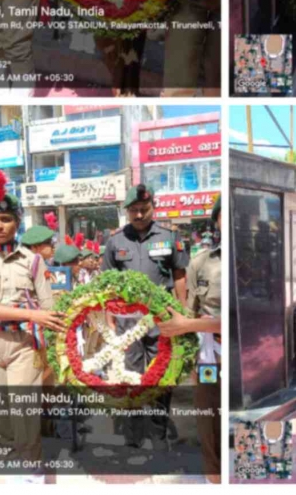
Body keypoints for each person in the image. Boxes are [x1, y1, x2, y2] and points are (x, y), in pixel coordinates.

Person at [0, 171, 66, 474]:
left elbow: (48, 307)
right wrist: (31, 314)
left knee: (25, 414)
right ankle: (12, 469)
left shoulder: (34, 261)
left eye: (6, 219)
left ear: (17, 222)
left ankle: (32, 470)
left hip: (25, 346)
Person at [102, 184, 189, 450]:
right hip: (128, 320)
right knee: (130, 374)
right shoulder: (115, 241)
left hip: (161, 320)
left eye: (144, 209)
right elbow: (107, 282)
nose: (139, 215)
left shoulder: (169, 236)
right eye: (134, 211)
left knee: (162, 374)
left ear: (153, 208)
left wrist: (182, 314)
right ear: (126, 211)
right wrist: (109, 315)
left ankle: (158, 433)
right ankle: (133, 435)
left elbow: (179, 276)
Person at [159, 195, 222, 483]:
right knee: (208, 413)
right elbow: (191, 311)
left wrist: (186, 324)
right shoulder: (201, 263)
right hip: (210, 355)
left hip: (244, 354)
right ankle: (214, 474)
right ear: (217, 220)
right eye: (223, 215)